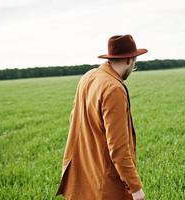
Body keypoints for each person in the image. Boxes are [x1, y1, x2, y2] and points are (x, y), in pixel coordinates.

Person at [56, 34, 148, 200]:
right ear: (129, 60)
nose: (134, 66)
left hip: (83, 179)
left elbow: (74, 119)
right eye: (134, 61)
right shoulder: (114, 88)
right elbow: (119, 148)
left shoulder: (88, 77)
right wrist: (136, 188)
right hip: (105, 187)